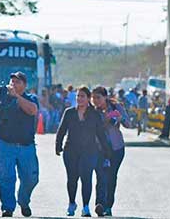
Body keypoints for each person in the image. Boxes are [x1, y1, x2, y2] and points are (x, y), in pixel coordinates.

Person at [55, 86, 112, 217]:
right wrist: (58, 145)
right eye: (78, 96)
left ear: (88, 99)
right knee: (72, 178)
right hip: (71, 151)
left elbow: (101, 134)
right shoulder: (69, 112)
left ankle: (86, 207)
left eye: (82, 96)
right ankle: (71, 203)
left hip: (89, 151)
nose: (79, 99)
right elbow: (62, 130)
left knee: (86, 179)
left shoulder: (94, 114)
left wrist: (106, 151)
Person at [0, 72, 39, 217]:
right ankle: (8, 207)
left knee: (31, 178)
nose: (13, 84)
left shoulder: (30, 98)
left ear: (24, 85)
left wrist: (16, 96)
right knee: (5, 178)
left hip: (26, 146)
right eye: (12, 81)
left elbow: (32, 111)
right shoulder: (1, 98)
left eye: (17, 82)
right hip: (4, 144)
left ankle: (23, 201)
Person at [91, 86, 131, 216]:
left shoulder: (116, 107)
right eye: (93, 98)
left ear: (105, 97)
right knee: (101, 176)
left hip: (116, 148)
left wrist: (119, 118)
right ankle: (100, 204)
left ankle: (108, 205)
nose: (95, 100)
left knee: (111, 177)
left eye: (98, 97)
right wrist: (105, 120)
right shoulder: (92, 111)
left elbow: (128, 124)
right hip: (100, 149)